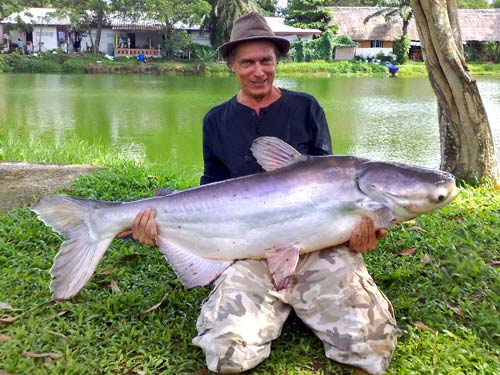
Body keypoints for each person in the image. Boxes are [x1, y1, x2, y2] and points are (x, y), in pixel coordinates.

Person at [122, 12, 397, 375]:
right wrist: (167, 227)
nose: (258, 71)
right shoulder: (215, 120)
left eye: (266, 60)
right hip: (249, 251)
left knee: (371, 347)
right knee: (226, 356)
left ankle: (306, 302)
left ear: (277, 61)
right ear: (232, 66)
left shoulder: (306, 108)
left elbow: (332, 183)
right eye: (247, 62)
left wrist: (360, 233)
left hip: (317, 247)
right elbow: (212, 187)